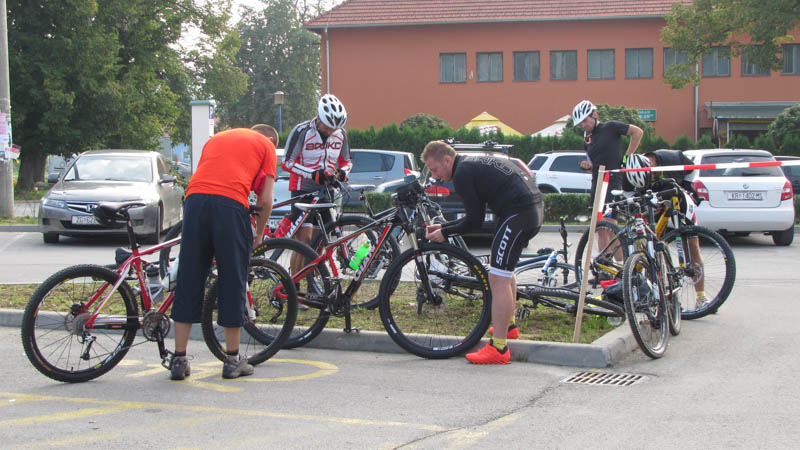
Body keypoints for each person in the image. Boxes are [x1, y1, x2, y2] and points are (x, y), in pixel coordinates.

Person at [168, 125, 278, 380]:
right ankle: (232, 360)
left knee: (189, 277)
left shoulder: (216, 139)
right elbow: (266, 199)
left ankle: (179, 359)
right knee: (232, 279)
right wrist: (258, 233)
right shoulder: (267, 145)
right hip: (230, 205)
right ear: (271, 139)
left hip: (194, 201)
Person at [423, 141, 544, 365]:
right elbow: (474, 217)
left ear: (447, 160)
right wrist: (444, 228)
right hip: (529, 210)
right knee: (503, 272)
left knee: (497, 278)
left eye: (435, 169)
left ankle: (499, 348)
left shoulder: (462, 173)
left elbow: (474, 221)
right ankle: (508, 327)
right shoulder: (469, 164)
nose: (435, 176)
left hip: (518, 213)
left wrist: (445, 233)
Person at [278, 94, 352, 275]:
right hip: (302, 189)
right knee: (304, 240)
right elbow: (286, 162)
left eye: (334, 128)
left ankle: (314, 283)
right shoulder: (302, 131)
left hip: (326, 190)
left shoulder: (341, 134)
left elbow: (347, 161)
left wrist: (343, 172)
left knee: (321, 241)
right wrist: (311, 174)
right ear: (318, 117)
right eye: (327, 127)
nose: (330, 131)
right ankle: (294, 285)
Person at [626, 151, 709, 308]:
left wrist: (686, 186)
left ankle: (701, 297)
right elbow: (630, 202)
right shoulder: (628, 176)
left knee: (693, 247)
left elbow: (692, 170)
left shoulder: (673, 158)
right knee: (649, 249)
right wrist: (643, 209)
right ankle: (657, 295)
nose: (652, 177)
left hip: (677, 198)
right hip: (651, 204)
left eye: (652, 173)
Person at [573, 100, 643, 250]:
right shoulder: (588, 140)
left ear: (594, 115)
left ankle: (622, 262)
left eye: (585, 120)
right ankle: (604, 261)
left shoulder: (610, 127)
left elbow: (637, 132)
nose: (583, 125)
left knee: (611, 228)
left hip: (612, 182)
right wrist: (588, 167)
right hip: (597, 183)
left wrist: (627, 157)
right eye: (580, 123)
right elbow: (595, 167)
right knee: (600, 229)